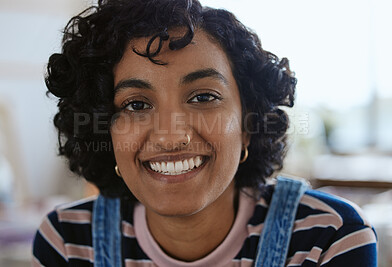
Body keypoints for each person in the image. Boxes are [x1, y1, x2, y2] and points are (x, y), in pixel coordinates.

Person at [32, 0, 377, 266]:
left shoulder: (330, 237)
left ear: (247, 124)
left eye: (203, 97)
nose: (172, 137)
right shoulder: (67, 242)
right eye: (136, 105)